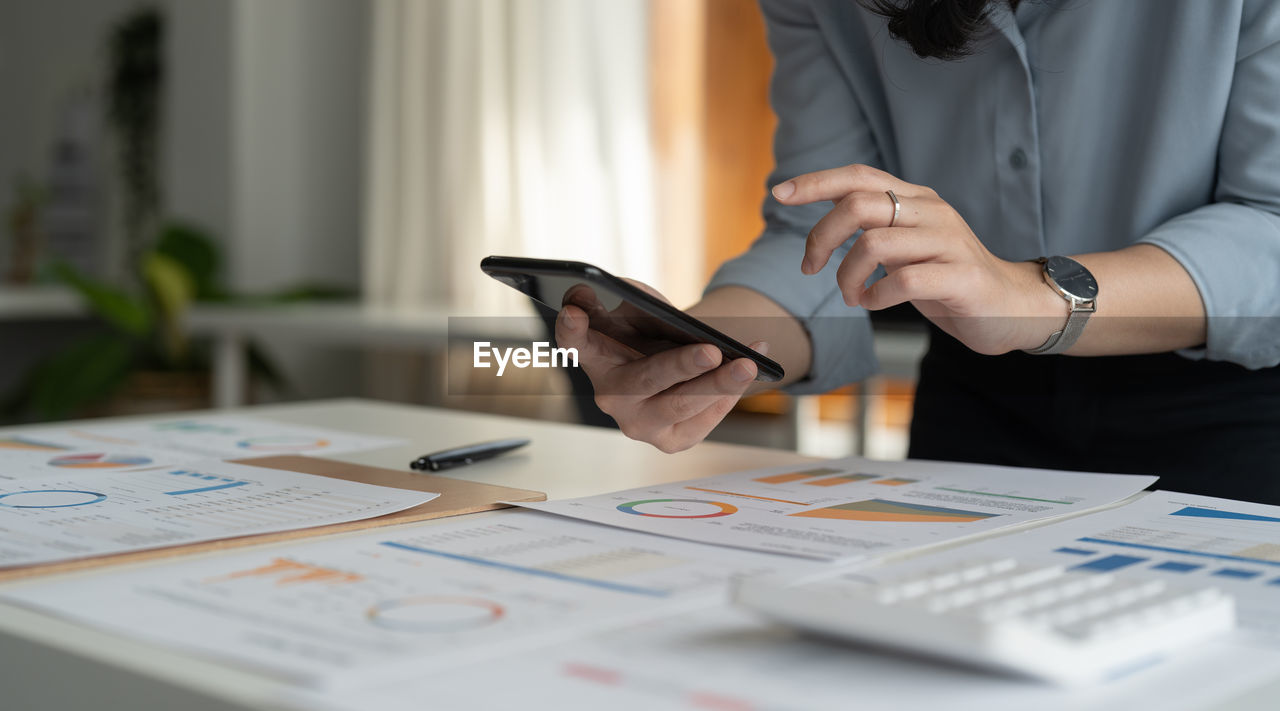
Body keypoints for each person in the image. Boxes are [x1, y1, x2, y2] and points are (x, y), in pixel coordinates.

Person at [555, 0, 1280, 505]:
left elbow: (1270, 221)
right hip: (977, 407)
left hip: (1235, 407)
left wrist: (1031, 295)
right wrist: (701, 352)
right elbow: (820, 233)